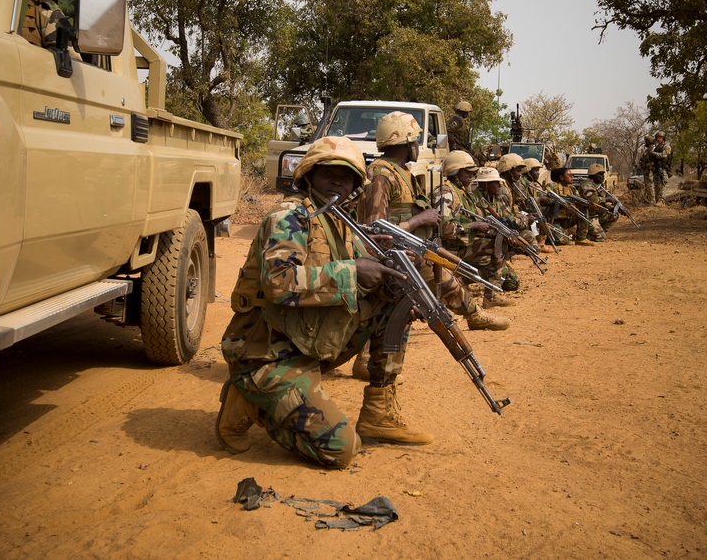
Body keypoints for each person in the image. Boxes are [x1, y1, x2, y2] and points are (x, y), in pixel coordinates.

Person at [217, 136, 434, 470]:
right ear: (308, 175)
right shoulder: (290, 217)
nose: (337, 181)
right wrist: (352, 271)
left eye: (346, 176)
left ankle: (379, 412)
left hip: (302, 340)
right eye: (328, 173)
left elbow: (359, 273)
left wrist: (392, 277)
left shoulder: (337, 219)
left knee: (394, 304)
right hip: (264, 353)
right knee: (342, 450)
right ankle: (248, 404)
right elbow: (278, 282)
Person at [359, 111, 507, 329]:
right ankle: (474, 315)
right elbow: (375, 230)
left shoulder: (403, 172)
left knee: (389, 314)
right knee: (445, 286)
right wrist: (419, 220)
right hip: (397, 255)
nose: (419, 145)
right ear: (406, 141)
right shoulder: (381, 175)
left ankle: (474, 314)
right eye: (416, 140)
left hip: (412, 249)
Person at [434, 151, 520, 302]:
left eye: (472, 172)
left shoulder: (465, 193)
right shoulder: (446, 192)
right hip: (447, 248)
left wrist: (498, 232)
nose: (471, 175)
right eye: (467, 172)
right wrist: (473, 226)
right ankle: (484, 293)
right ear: (455, 172)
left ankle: (490, 295)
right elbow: (444, 229)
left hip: (462, 245)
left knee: (499, 243)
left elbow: (479, 220)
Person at [583, 163, 619, 240]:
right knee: (601, 238)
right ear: (593, 175)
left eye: (603, 174)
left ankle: (598, 231)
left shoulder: (597, 185)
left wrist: (614, 207)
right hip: (588, 216)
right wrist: (607, 199)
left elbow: (602, 202)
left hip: (596, 213)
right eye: (600, 174)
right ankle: (588, 235)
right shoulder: (587, 185)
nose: (602, 176)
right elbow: (592, 199)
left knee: (614, 214)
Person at [650, 130, 673, 204]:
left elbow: (664, 155)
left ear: (663, 138)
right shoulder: (657, 147)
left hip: (663, 169)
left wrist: (653, 154)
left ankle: (662, 201)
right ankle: (657, 201)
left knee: (662, 185)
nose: (658, 139)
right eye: (657, 137)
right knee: (656, 186)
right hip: (656, 169)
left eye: (660, 137)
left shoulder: (667, 147)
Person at [637, 135, 656, 204]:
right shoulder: (647, 151)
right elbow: (642, 160)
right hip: (646, 171)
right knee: (647, 186)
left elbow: (656, 161)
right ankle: (649, 200)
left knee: (650, 186)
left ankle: (652, 201)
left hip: (651, 171)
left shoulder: (654, 150)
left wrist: (650, 165)